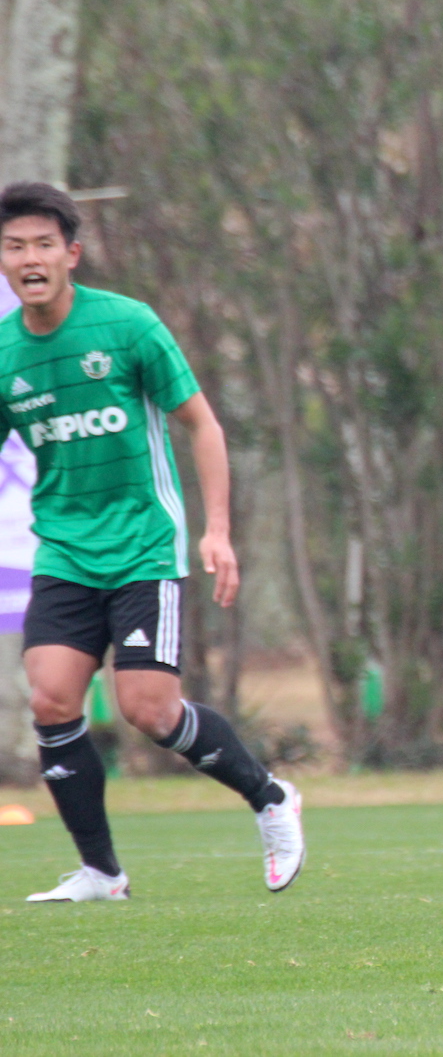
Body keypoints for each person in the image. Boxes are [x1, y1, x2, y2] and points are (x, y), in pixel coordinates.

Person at [0, 183, 304, 902]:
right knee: (50, 700)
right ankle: (103, 874)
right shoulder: (5, 351)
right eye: (15, 247)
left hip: (145, 547)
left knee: (148, 709)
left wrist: (217, 530)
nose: (30, 258)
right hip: (64, 552)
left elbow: (202, 424)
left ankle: (270, 798)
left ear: (71, 254)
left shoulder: (128, 325)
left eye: (44, 244)